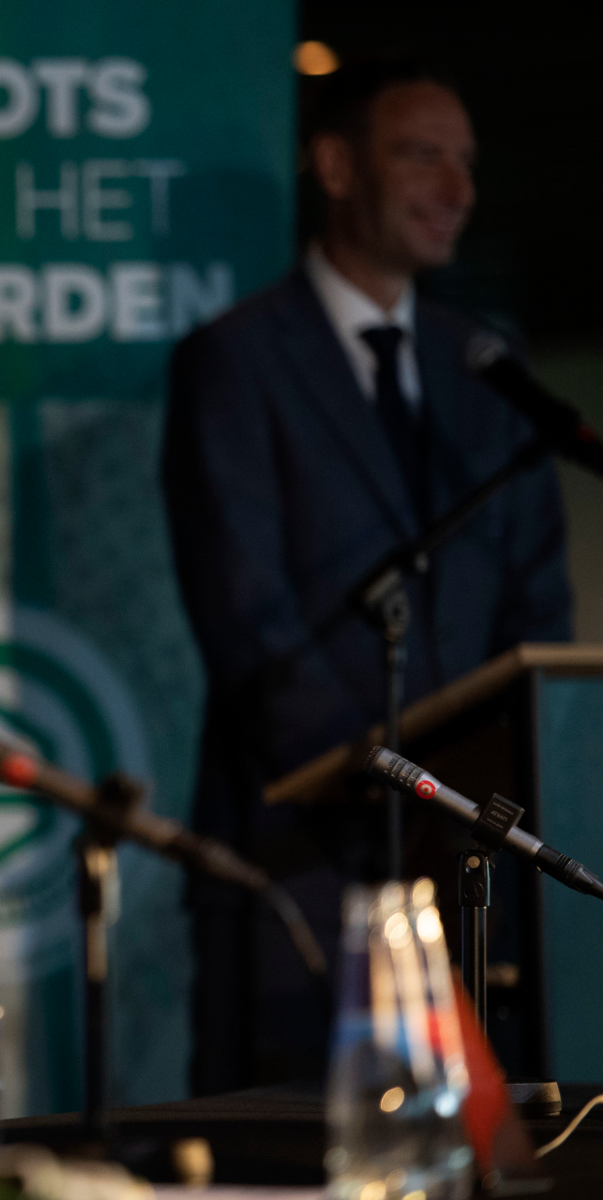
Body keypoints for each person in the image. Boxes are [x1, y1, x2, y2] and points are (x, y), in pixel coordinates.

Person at [162, 60, 572, 1094]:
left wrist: (497, 789)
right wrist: (411, 789)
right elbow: (248, 618)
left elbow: (540, 603)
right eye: (423, 154)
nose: (457, 189)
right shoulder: (237, 359)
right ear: (338, 166)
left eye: (467, 163)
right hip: (307, 861)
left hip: (483, 873)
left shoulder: (486, 363)